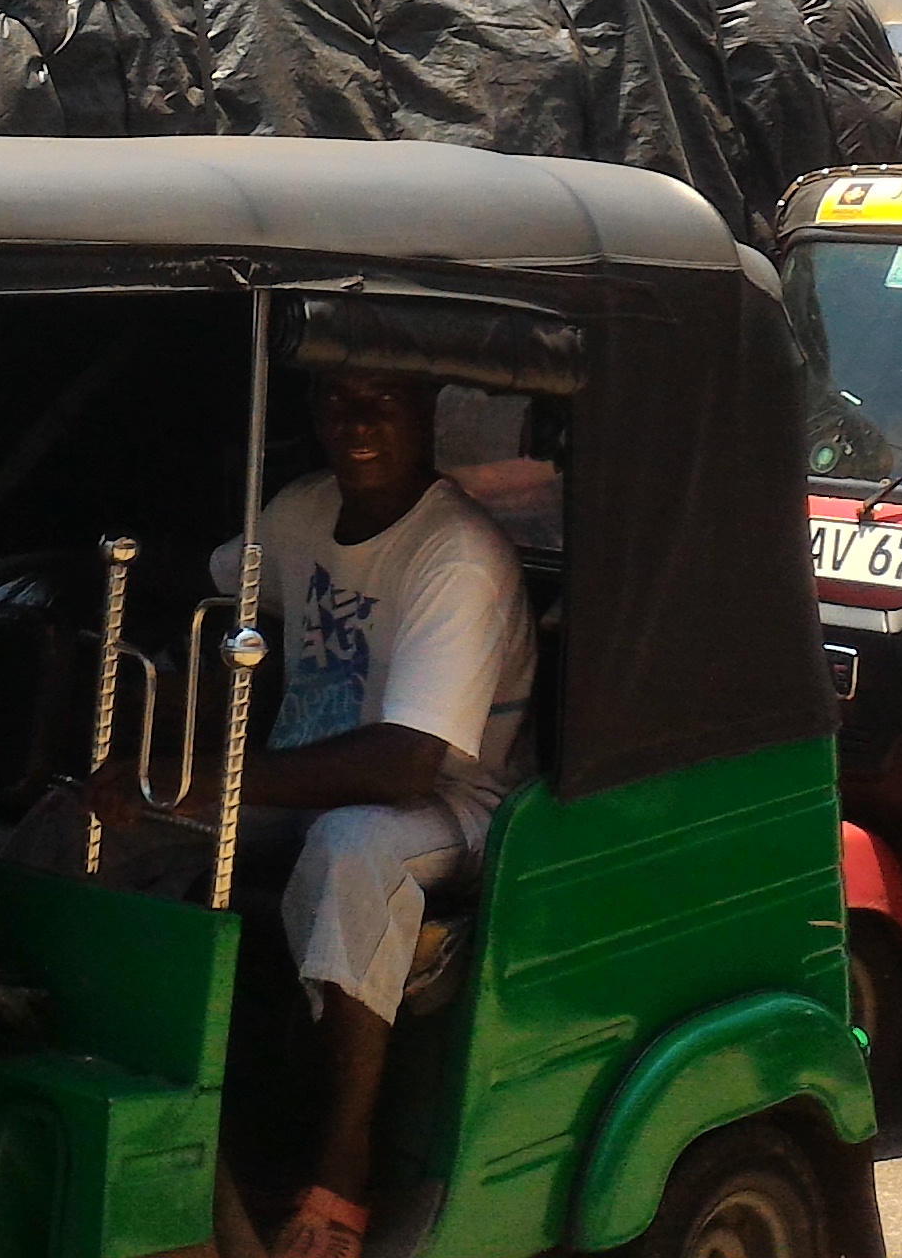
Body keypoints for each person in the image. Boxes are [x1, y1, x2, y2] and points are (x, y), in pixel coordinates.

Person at [98, 368, 533, 1258]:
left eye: (382, 401)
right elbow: (210, 582)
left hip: (451, 803)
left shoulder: (459, 554)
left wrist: (211, 781)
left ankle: (345, 1158)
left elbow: (407, 764)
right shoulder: (302, 511)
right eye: (338, 401)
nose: (357, 422)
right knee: (100, 825)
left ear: (427, 411)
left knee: (351, 849)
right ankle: (138, 1090)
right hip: (303, 775)